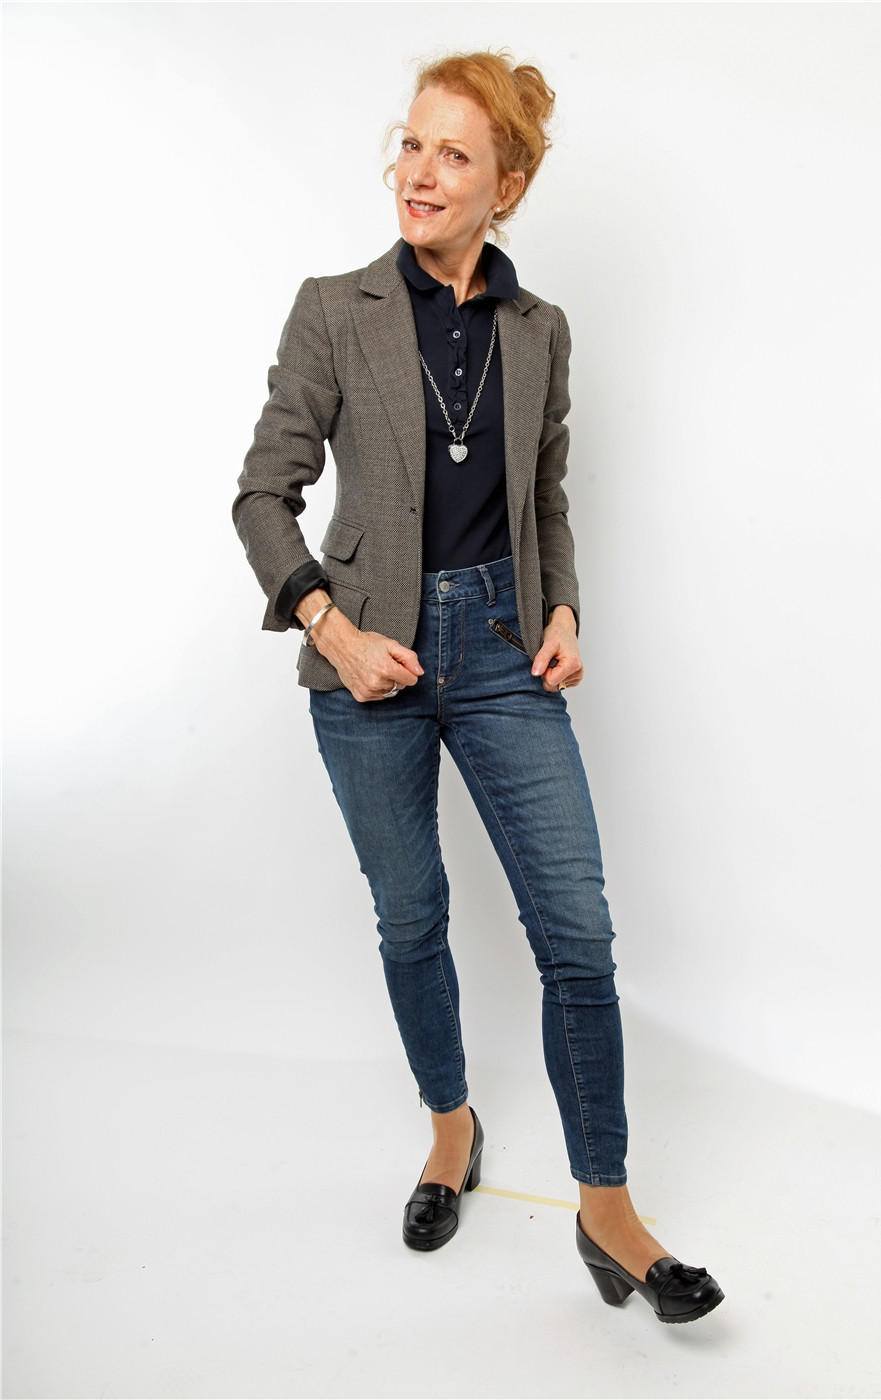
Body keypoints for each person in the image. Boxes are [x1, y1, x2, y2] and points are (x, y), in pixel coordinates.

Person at [233, 49, 723, 1325]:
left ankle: (606, 1207)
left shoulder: (538, 330)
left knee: (578, 932)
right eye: (411, 143)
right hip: (370, 659)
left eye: (454, 154)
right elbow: (262, 496)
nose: (420, 172)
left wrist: (561, 607)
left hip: (504, 649)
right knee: (413, 918)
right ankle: (451, 1126)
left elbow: (543, 497)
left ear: (505, 187)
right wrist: (332, 628)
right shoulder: (332, 309)